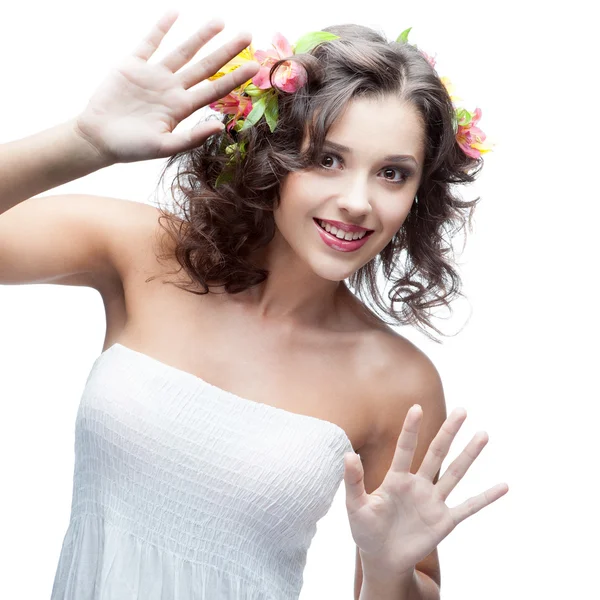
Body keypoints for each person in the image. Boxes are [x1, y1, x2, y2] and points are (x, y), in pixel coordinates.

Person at [0, 9, 509, 600]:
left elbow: (408, 585)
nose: (357, 201)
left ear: (418, 195)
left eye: (392, 174)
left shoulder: (396, 380)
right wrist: (83, 143)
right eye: (328, 159)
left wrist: (389, 567)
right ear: (276, 153)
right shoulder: (145, 253)